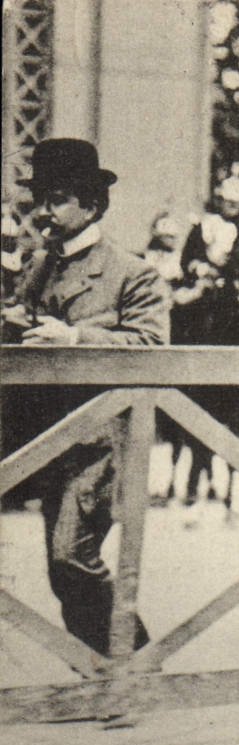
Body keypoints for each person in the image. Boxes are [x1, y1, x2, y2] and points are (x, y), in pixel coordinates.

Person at [5, 138, 168, 657]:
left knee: (71, 557)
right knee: (64, 567)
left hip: (100, 445)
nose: (44, 213)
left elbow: (150, 345)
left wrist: (74, 338)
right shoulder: (37, 266)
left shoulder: (132, 272)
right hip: (46, 439)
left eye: (57, 200)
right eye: (40, 201)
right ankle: (108, 669)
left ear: (92, 205)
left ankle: (132, 665)